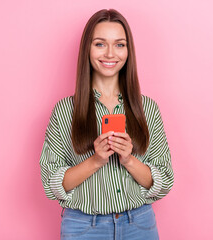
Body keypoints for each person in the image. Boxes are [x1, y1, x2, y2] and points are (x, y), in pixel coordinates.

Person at [39, 9, 174, 240]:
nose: (111, 53)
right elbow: (51, 183)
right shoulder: (64, 111)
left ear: (128, 51)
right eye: (100, 44)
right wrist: (96, 160)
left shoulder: (147, 109)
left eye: (119, 45)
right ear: (87, 49)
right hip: (83, 227)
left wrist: (129, 160)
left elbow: (165, 179)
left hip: (139, 224)